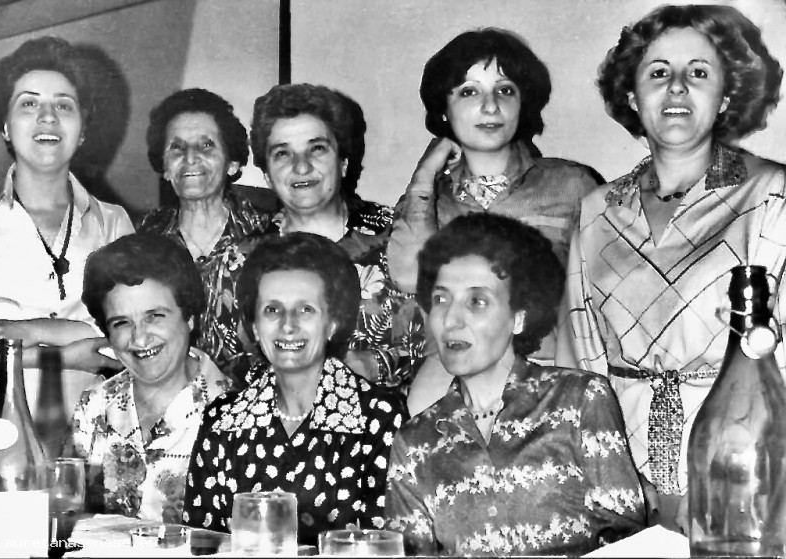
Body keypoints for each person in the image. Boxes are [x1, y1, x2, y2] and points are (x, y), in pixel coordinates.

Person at [556, 4, 786, 533]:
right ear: (632, 97)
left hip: (743, 459)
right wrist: (606, 475)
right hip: (622, 469)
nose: (677, 86)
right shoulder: (596, 211)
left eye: (698, 72)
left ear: (725, 95)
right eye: (658, 72)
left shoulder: (774, 195)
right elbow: (580, 358)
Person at [385, 214, 645, 556]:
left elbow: (626, 542)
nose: (451, 320)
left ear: (519, 317)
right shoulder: (415, 440)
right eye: (441, 300)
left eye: (477, 301)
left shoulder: (580, 400)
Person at [385, 28, 602, 416]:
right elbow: (406, 277)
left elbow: (594, 298)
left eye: (504, 90)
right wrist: (424, 175)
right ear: (443, 109)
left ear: (522, 102)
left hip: (548, 374)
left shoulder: (572, 185)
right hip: (452, 379)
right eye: (469, 92)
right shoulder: (427, 200)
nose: (490, 106)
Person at [183, 233, 407, 545]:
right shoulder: (222, 421)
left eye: (305, 310)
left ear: (332, 323)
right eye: (272, 310)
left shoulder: (380, 419)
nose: (288, 325)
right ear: (255, 327)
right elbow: (202, 544)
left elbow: (386, 545)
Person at [0, 36, 134, 455]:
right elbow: (95, 338)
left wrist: (23, 333)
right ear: (5, 125)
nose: (47, 117)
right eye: (29, 103)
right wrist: (67, 353)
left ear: (82, 129)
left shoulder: (114, 223)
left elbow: (125, 338)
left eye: (64, 105)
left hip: (95, 453)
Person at [248, 83, 420, 389]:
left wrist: (375, 365)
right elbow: (231, 371)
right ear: (266, 175)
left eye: (316, 149)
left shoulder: (400, 236)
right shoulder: (242, 260)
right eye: (283, 153)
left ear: (342, 163)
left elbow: (446, 343)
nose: (301, 166)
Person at [71, 232, 229, 522]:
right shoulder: (93, 406)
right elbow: (70, 519)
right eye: (121, 323)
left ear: (189, 317)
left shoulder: (234, 415)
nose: (140, 338)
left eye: (154, 316)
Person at [139, 88, 270, 386]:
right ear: (164, 167)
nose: (190, 158)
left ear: (232, 163)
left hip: (254, 403)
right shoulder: (143, 239)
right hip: (171, 402)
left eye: (206, 145)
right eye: (177, 147)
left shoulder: (269, 235)